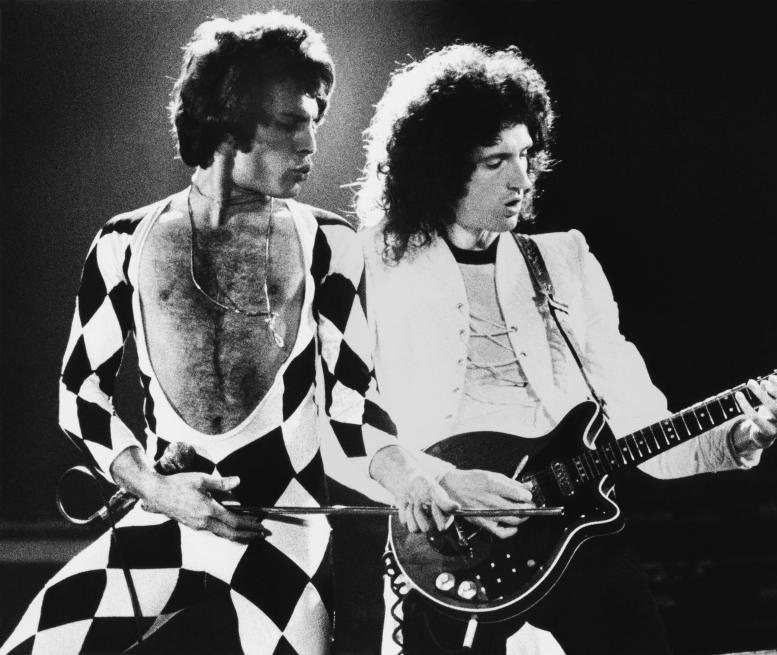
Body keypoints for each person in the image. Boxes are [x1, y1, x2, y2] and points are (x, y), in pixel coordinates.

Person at [0, 12, 455, 655]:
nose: (310, 146)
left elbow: (353, 409)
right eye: (290, 122)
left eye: (314, 123)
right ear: (226, 118)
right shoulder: (122, 242)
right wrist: (159, 491)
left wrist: (414, 479)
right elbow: (79, 399)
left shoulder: (330, 242)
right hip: (163, 520)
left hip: (282, 535)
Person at [355, 44, 777, 654]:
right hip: (447, 530)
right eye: (495, 162)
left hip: (568, 518)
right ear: (437, 168)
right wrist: (437, 481)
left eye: (525, 156)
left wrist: (739, 438)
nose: (521, 179)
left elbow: (639, 419)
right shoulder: (373, 262)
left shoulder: (562, 259)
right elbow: (349, 411)